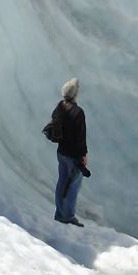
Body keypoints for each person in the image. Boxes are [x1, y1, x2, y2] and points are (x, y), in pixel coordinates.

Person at [53, 77, 89, 226]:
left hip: (61, 152)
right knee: (73, 186)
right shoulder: (78, 112)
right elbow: (81, 137)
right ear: (75, 95)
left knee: (62, 182)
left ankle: (60, 213)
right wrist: (83, 155)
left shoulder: (59, 108)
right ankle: (67, 216)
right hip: (73, 155)